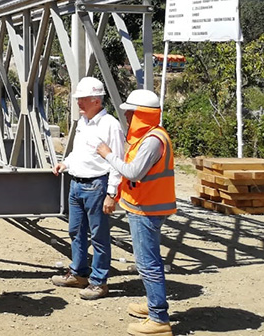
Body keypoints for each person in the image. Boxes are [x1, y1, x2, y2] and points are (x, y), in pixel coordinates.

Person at [96, 89, 175, 336]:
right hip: (145, 206)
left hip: (147, 210)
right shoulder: (150, 136)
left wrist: (107, 154)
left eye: (131, 113)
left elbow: (133, 173)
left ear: (142, 115)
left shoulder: (153, 140)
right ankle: (154, 306)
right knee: (148, 261)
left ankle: (159, 319)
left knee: (147, 263)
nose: (128, 118)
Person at [52, 76, 125, 300]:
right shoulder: (83, 123)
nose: (78, 103)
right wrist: (66, 163)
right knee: (75, 231)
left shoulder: (110, 125)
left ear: (96, 100)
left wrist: (111, 193)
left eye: (82, 99)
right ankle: (79, 273)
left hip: (97, 185)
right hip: (77, 183)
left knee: (99, 236)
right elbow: (79, 152)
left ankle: (99, 282)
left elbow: (117, 161)